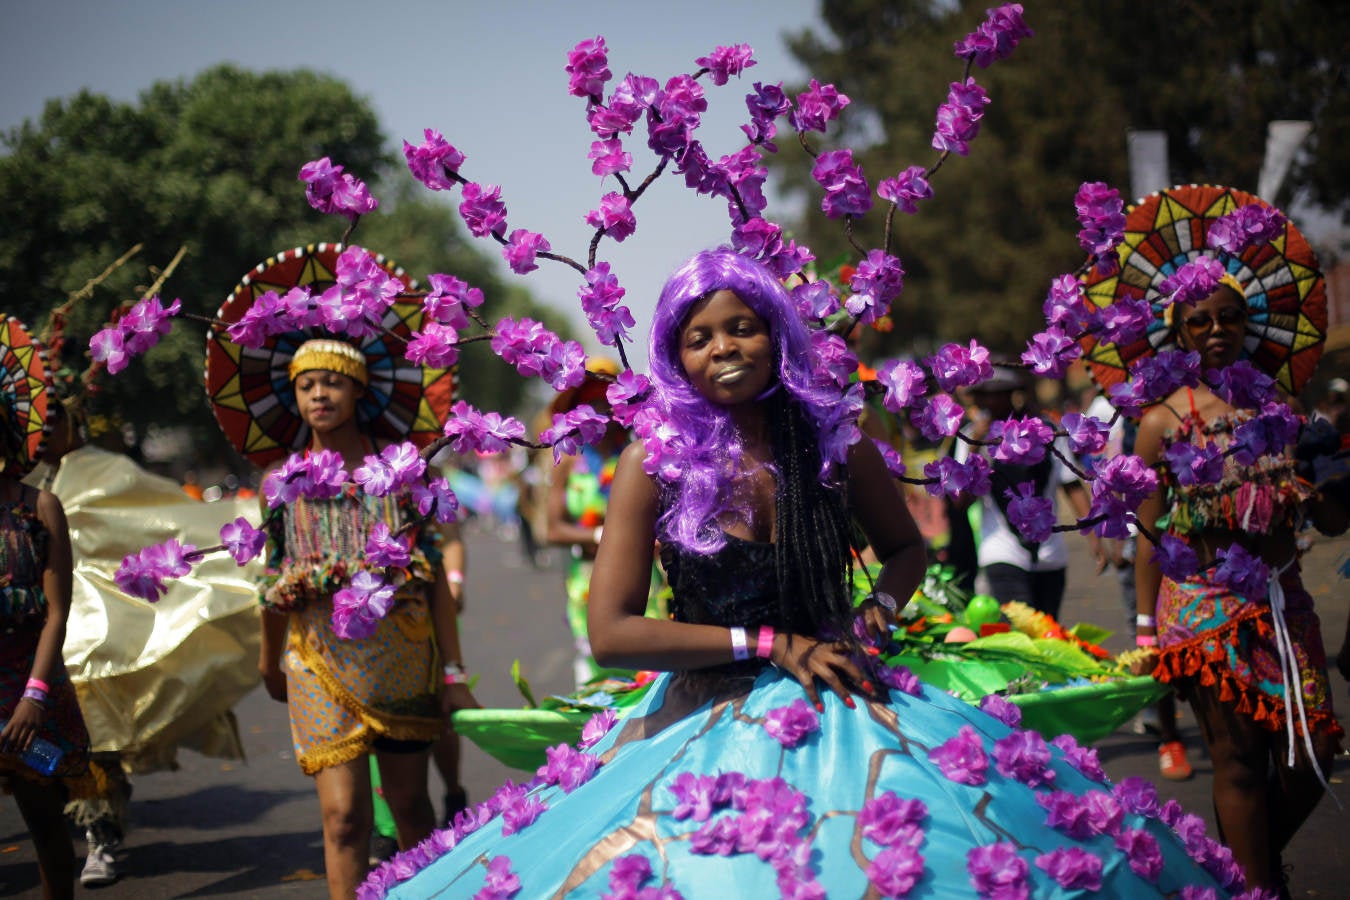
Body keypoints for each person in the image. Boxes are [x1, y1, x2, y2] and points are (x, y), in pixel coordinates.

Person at [372, 249, 1234, 898]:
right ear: (676, 357)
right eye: (698, 337)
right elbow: (611, 632)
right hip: (699, 717)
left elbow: (908, 551)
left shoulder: (835, 435)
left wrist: (873, 618)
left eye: (742, 326)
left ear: (777, 332)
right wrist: (762, 641)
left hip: (850, 697)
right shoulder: (653, 461)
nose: (723, 349)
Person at [1133, 273, 1347, 894]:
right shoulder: (1162, 424)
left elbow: (1329, 518)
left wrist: (1326, 476)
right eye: (1200, 321)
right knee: (1239, 763)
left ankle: (1235, 870)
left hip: (1284, 600)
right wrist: (1147, 631)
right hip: (1201, 609)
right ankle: (1258, 886)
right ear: (1178, 332)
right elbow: (1149, 542)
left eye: (1228, 317)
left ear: (1246, 323)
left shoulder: (1284, 409)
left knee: (1314, 754)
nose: (1217, 330)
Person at [256, 339, 478, 898]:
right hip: (316, 662)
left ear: (359, 389)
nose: (318, 395)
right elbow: (272, 582)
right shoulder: (280, 484)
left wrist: (452, 672)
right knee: (344, 818)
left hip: (402, 662)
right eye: (305, 386)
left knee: (409, 807)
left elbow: (431, 587)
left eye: (331, 382)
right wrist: (268, 660)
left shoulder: (402, 470)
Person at [29, 392, 264, 887]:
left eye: (56, 418)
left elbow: (164, 518)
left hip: (100, 627)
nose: (47, 429)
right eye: (37, 420)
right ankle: (62, 833)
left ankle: (100, 834)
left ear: (73, 421)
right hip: (35, 629)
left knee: (99, 737)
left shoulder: (105, 469)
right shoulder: (21, 482)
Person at [0, 325, 90, 900]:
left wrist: (34, 695)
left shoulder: (39, 507)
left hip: (30, 692)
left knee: (47, 830)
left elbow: (58, 609)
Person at [1082, 387, 1193, 782]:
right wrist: (1110, 536)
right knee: (1150, 637)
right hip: (1141, 540)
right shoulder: (1125, 417)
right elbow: (1104, 477)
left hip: (1198, 549)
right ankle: (1169, 734)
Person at [544, 357, 663, 688]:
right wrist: (603, 535)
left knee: (650, 670)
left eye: (606, 402)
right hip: (587, 582)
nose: (599, 412)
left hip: (644, 580)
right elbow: (552, 529)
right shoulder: (569, 464)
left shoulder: (646, 456)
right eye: (590, 404)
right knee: (597, 676)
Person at [953, 368, 1101, 621]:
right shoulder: (971, 438)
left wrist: (1094, 535)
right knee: (1020, 629)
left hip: (1050, 553)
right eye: (980, 397)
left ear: (1013, 395)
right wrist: (977, 449)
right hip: (1001, 552)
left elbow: (1070, 484)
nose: (986, 404)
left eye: (993, 396)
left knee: (1048, 629)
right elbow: (961, 501)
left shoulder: (1047, 432)